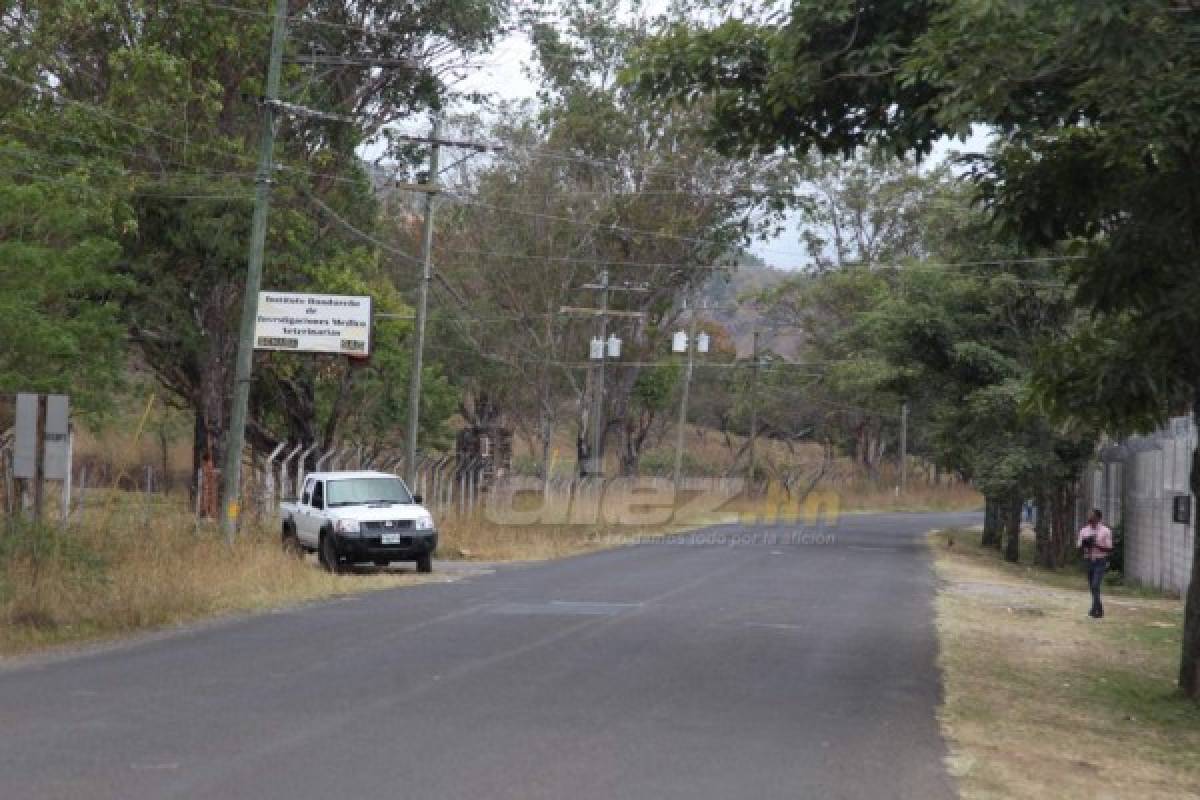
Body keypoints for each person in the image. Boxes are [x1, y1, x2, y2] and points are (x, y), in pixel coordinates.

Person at [1077, 509, 1114, 618]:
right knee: (1092, 587)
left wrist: (1096, 545)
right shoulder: (1084, 530)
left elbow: (1109, 549)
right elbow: (1078, 547)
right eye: (1089, 516)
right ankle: (1098, 608)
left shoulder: (1105, 531)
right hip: (1088, 560)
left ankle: (1095, 609)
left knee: (1095, 585)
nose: (1090, 518)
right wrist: (1084, 544)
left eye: (1092, 516)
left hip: (1100, 561)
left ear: (1098, 518)